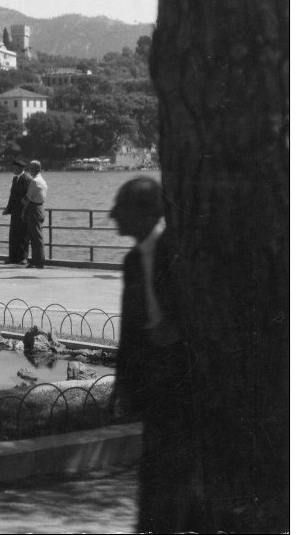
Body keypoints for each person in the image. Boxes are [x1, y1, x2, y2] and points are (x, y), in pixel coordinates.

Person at [109, 176, 199, 533]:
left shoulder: (176, 249)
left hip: (183, 372)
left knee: (175, 465)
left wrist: (177, 328)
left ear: (144, 214)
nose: (113, 217)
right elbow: (129, 330)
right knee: (157, 463)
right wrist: (123, 383)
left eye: (121, 209)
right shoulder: (133, 260)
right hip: (154, 375)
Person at [2, 159, 32, 264]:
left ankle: (23, 257)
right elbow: (12, 196)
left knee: (23, 234)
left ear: (20, 168)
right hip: (15, 211)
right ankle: (13, 257)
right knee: (14, 234)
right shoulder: (15, 179)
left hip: (23, 211)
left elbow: (27, 197)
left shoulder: (27, 179)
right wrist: (8, 208)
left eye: (14, 168)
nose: (12, 170)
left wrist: (24, 210)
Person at [22, 160, 48, 268]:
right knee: (37, 235)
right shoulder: (43, 181)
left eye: (30, 168)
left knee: (35, 236)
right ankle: (37, 260)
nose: (29, 170)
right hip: (40, 208)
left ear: (34, 169)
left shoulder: (34, 181)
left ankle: (38, 261)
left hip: (33, 209)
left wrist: (22, 208)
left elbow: (28, 198)